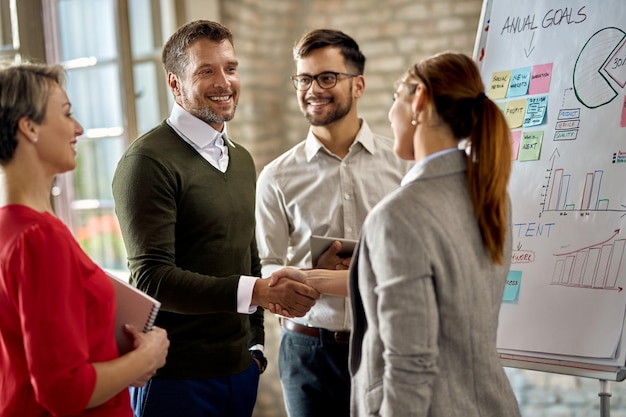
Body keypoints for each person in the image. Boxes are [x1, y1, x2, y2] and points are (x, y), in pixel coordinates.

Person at [271, 52, 521, 416]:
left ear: (418, 100)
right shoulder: (491, 197)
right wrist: (310, 277)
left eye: (394, 100)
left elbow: (410, 365)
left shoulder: (399, 215)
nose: (389, 115)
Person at [112, 20, 319, 417]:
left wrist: (254, 346)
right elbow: (152, 278)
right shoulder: (146, 162)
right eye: (206, 70)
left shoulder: (240, 159)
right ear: (174, 84)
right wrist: (258, 293)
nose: (224, 81)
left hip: (239, 372)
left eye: (230, 67)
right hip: (175, 380)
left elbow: (248, 255)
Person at [0, 62, 169, 417]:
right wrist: (145, 357)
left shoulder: (14, 229)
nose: (78, 128)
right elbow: (62, 389)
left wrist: (120, 363)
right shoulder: (39, 237)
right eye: (66, 113)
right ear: (29, 126)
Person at [255, 29, 410, 417]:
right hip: (308, 353)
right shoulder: (276, 176)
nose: (313, 89)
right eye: (304, 79)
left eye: (327, 77)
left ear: (358, 85)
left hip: (386, 343)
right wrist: (303, 276)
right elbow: (266, 263)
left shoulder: (403, 167)